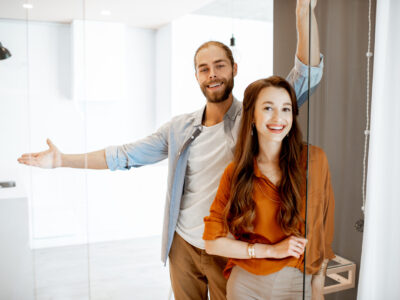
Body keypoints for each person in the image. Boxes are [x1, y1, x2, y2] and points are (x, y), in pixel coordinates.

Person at [17, 0, 323, 299]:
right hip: (183, 245)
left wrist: (302, 12)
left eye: (219, 66)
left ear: (234, 69)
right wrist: (61, 160)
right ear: (197, 77)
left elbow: (304, 75)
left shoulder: (253, 116)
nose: (212, 74)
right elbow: (124, 155)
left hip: (228, 245)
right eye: (203, 69)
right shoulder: (180, 128)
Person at [203, 76, 335, 300]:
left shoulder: (314, 160)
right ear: (252, 116)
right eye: (267, 108)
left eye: (286, 109)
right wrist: (270, 250)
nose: (278, 118)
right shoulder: (236, 173)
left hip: (295, 281)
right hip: (244, 284)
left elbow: (323, 227)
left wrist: (318, 286)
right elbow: (211, 243)